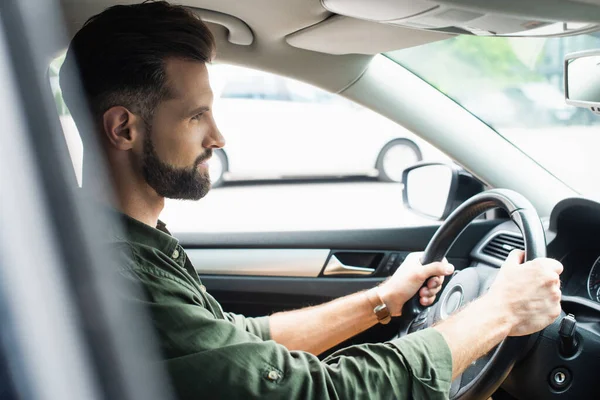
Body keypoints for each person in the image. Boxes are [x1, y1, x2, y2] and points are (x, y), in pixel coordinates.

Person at [59, 2, 563, 399]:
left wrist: (382, 300)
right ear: (124, 127)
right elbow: (316, 391)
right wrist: (500, 312)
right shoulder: (120, 273)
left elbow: (235, 341)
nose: (218, 137)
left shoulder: (131, 245)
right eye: (196, 116)